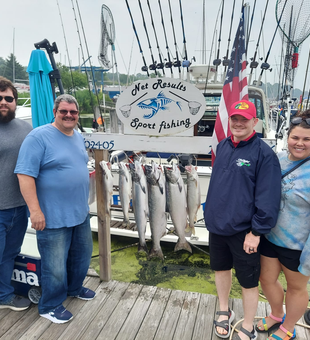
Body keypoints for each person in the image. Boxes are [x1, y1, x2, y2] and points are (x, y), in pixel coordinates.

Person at [204, 100, 282, 340]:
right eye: (235, 119)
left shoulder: (264, 154)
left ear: (254, 122)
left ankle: (248, 322)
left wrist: (256, 232)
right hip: (217, 226)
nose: (238, 123)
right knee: (220, 269)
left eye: (244, 119)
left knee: (248, 280)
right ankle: (224, 310)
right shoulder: (224, 146)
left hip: (244, 231)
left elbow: (268, 198)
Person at [14, 94, 95, 324]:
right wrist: (35, 211)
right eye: (64, 111)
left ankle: (74, 288)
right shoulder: (38, 137)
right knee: (55, 266)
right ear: (55, 112)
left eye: (73, 112)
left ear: (78, 115)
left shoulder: (78, 136)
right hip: (51, 216)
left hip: (80, 213)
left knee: (81, 257)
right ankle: (49, 305)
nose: (69, 115)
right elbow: (24, 175)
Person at [256, 110, 310, 340]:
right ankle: (277, 315)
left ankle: (289, 326)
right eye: (295, 137)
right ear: (287, 137)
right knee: (266, 280)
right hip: (270, 236)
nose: (299, 143)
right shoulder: (277, 158)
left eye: (307, 139)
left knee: (296, 288)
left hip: (298, 245)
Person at [0, 77, 32, 311]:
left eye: (8, 98)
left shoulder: (25, 129)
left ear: (15, 101)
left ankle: (4, 295)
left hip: (19, 208)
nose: (3, 102)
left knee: (10, 253)